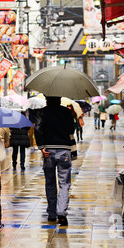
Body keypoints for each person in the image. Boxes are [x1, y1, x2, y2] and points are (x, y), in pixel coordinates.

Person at [34, 96, 75, 226]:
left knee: (50, 182)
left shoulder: (42, 112)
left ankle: (52, 213)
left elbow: (37, 129)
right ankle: (61, 212)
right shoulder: (66, 112)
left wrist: (41, 147)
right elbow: (71, 130)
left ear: (47, 100)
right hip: (64, 151)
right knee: (64, 183)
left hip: (48, 152)